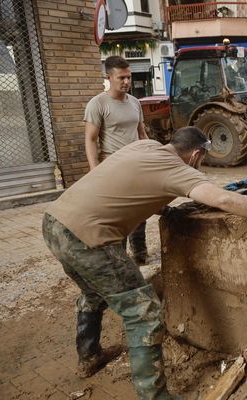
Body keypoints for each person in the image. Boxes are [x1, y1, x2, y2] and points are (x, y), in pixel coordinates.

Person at [43, 127, 247, 400]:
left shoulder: (147, 147)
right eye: (201, 161)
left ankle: (89, 356)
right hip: (89, 240)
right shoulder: (178, 168)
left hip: (55, 223)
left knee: (94, 291)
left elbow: (136, 184)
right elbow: (222, 200)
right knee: (144, 313)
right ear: (197, 154)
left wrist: (165, 209)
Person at [84, 55, 150, 265]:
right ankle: (120, 259)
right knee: (119, 215)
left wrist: (151, 155)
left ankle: (140, 253)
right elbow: (91, 139)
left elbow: (142, 133)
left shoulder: (135, 102)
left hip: (137, 165)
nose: (126, 82)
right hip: (113, 166)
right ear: (109, 77)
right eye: (121, 77)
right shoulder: (98, 103)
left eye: (129, 77)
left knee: (140, 210)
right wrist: (95, 170)